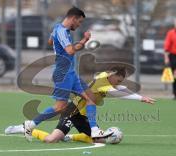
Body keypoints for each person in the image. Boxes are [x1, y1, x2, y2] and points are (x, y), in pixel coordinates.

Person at [23, 6, 112, 141]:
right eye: (79, 22)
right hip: (63, 73)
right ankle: (30, 124)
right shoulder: (62, 31)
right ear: (73, 18)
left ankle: (94, 130)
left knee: (90, 97)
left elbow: (50, 41)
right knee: (60, 107)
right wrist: (84, 40)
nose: (79, 24)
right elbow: (70, 51)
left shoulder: (58, 29)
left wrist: (59, 44)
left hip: (70, 72)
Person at [5, 67, 155, 144]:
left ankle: (70, 137)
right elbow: (119, 93)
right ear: (112, 75)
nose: (119, 83)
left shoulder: (104, 76)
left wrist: (141, 97)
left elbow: (120, 89)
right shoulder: (104, 84)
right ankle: (27, 129)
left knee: (101, 140)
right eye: (119, 79)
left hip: (82, 116)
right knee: (51, 140)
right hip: (71, 112)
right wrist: (140, 99)